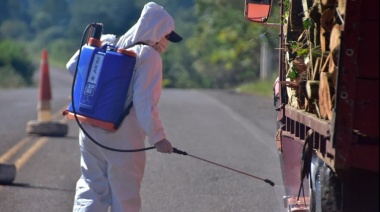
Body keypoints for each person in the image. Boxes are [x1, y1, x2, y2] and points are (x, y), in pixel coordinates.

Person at [66, 2, 182, 211]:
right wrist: (159, 138)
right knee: (124, 194)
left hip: (90, 128)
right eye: (167, 37)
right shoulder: (149, 56)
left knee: (91, 187)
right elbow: (144, 102)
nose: (167, 43)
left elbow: (72, 67)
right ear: (158, 33)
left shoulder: (112, 45)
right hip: (123, 138)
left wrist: (97, 43)